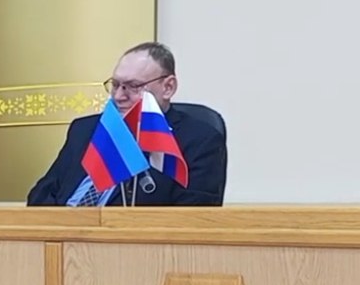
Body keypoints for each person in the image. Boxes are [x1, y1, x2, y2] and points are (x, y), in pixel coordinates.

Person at [27, 42, 226, 206]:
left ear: (168, 87)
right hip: (62, 234)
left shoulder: (200, 140)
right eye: (115, 85)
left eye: (133, 86)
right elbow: (40, 195)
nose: (119, 96)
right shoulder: (86, 129)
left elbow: (191, 218)